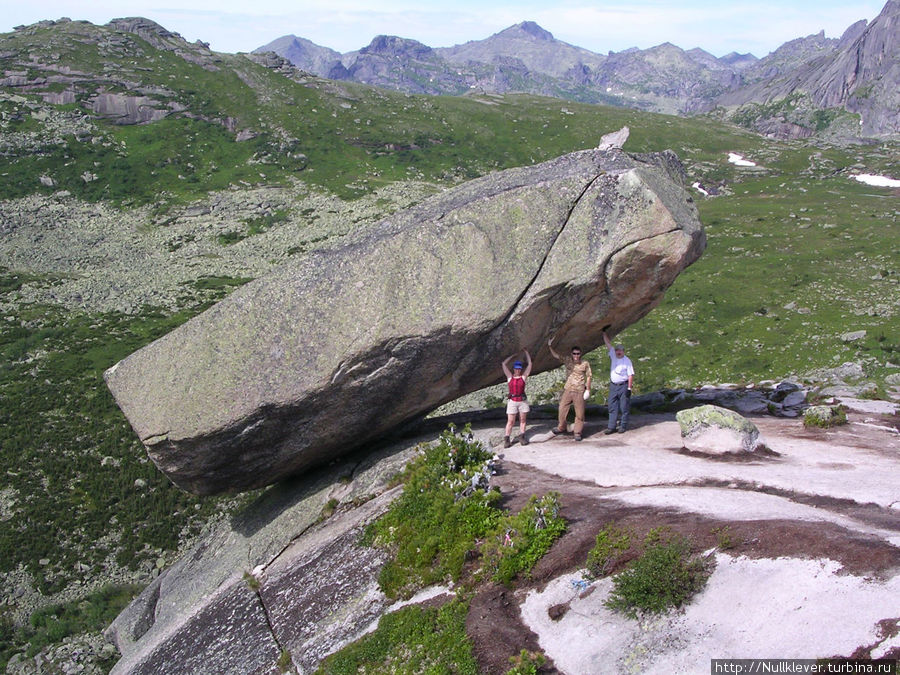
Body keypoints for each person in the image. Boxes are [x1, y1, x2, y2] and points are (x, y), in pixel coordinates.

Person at [548, 337, 592, 441]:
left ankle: (577, 432)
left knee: (580, 413)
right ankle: (562, 427)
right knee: (562, 409)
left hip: (579, 390)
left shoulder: (585, 363)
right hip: (568, 389)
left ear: (580, 354)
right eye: (574, 353)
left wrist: (588, 389)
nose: (576, 355)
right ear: (571, 354)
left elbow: (589, 376)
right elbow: (556, 355)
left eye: (578, 353)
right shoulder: (567, 360)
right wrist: (549, 346)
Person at [602, 330, 635, 434]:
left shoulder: (627, 361)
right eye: (617, 350)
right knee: (612, 406)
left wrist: (629, 388)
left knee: (624, 407)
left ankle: (623, 426)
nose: (618, 352)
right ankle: (611, 427)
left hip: (623, 386)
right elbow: (608, 344)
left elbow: (630, 375)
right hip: (613, 386)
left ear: (623, 351)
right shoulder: (613, 355)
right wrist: (604, 333)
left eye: (620, 350)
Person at [502, 350, 532, 448]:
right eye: (516, 369)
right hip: (512, 402)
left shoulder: (523, 377)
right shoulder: (510, 377)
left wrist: (526, 353)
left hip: (522, 401)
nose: (518, 370)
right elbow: (503, 364)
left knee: (523, 420)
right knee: (510, 421)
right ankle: (507, 439)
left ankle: (522, 437)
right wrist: (513, 355)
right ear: (514, 369)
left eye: (519, 369)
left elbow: (530, 364)